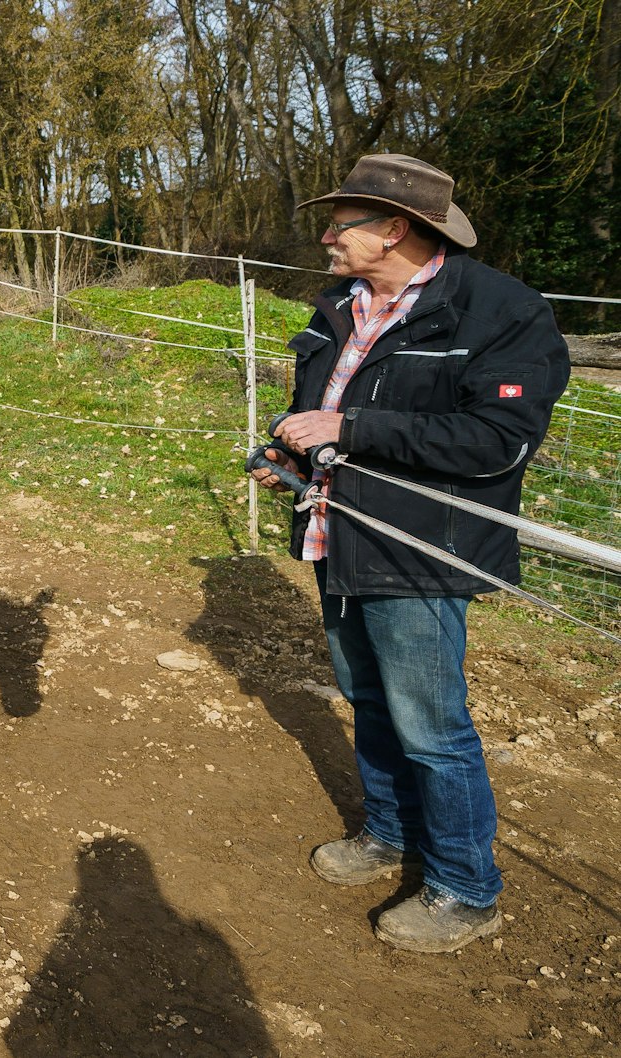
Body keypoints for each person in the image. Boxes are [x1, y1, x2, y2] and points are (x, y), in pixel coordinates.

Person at [252, 154, 570, 953]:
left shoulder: (500, 311)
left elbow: (497, 444)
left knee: (432, 725)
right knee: (368, 701)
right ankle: (389, 835)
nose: (326, 235)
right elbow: (319, 411)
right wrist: (291, 455)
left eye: (341, 222)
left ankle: (466, 888)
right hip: (339, 537)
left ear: (394, 229)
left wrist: (349, 432)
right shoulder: (339, 307)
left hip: (420, 550)